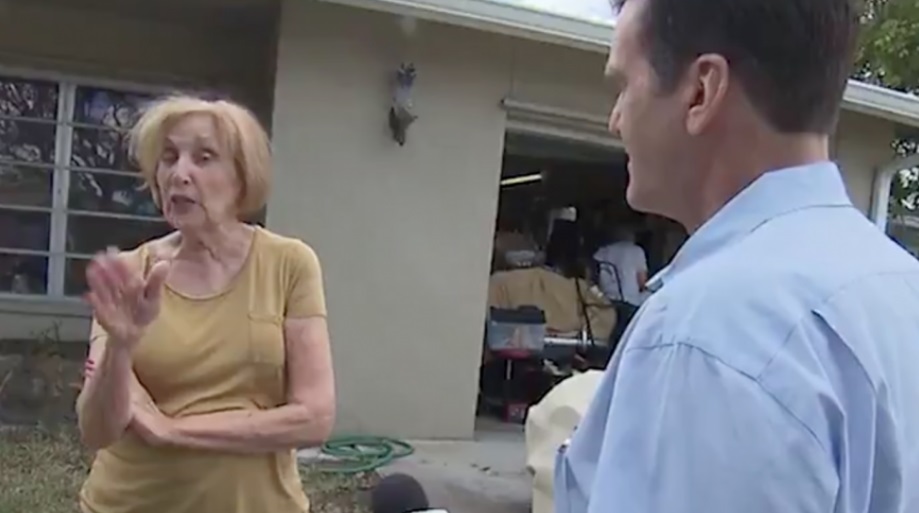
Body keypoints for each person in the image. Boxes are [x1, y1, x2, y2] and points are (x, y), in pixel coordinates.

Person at [555, 0, 919, 512]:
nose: (615, 119)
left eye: (624, 85)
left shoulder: (707, 333)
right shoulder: (899, 283)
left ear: (701, 91)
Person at [75, 95, 335, 513]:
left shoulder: (289, 264)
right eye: (169, 158)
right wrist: (120, 348)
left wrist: (171, 430)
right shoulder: (131, 274)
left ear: (242, 176)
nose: (180, 173)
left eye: (204, 158)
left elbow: (315, 417)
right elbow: (97, 430)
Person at [591, 225, 648, 306]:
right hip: (630, 300)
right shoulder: (637, 251)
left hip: (607, 300)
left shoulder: (603, 251)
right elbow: (642, 281)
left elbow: (593, 276)